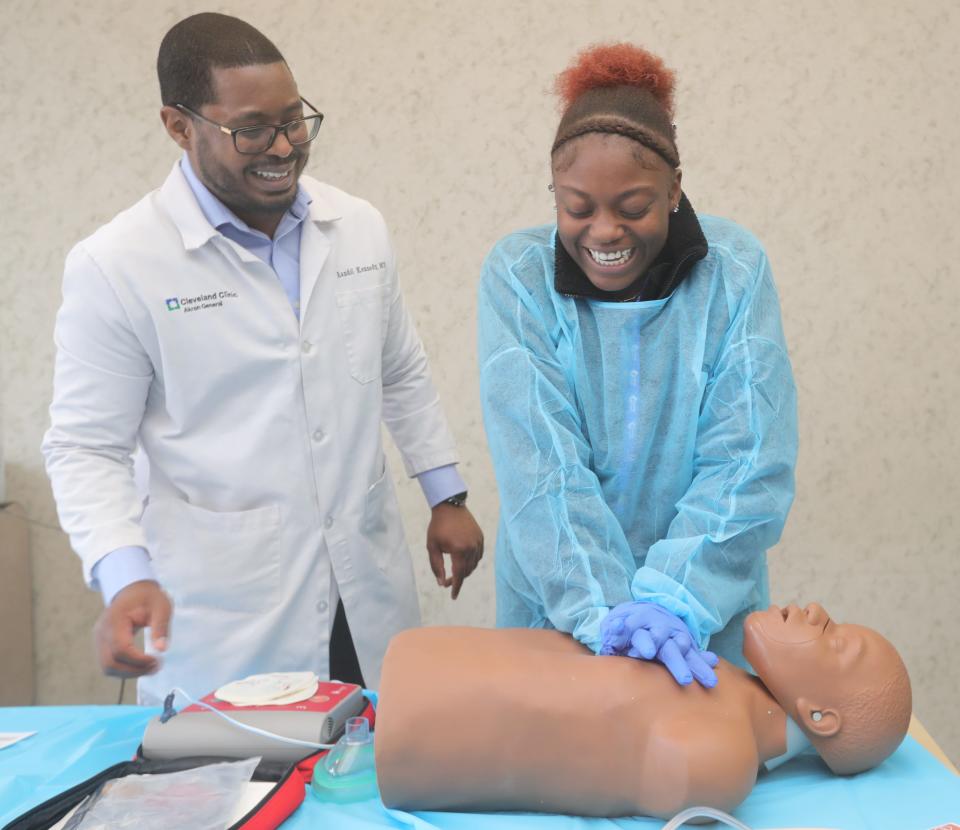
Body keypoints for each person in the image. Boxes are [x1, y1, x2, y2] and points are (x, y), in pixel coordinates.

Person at [41, 13, 483, 705]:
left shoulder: (357, 226)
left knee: (369, 775)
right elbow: (84, 448)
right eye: (251, 129)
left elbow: (397, 366)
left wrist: (444, 494)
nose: (283, 146)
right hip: (229, 612)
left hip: (362, 586)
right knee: (243, 792)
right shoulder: (118, 264)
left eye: (294, 120)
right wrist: (125, 573)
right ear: (178, 126)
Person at [477, 43, 797, 686]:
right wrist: (607, 615)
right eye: (577, 207)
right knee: (561, 775)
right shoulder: (519, 276)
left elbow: (748, 461)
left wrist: (675, 604)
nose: (603, 232)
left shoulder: (732, 271)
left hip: (700, 624)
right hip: (559, 615)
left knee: (700, 774)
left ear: (674, 189)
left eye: (632, 208)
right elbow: (542, 469)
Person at [374, 602, 912, 819]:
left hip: (420, 729)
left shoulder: (721, 760)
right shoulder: (727, 686)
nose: (818, 612)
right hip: (428, 668)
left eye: (838, 642)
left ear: (820, 718)